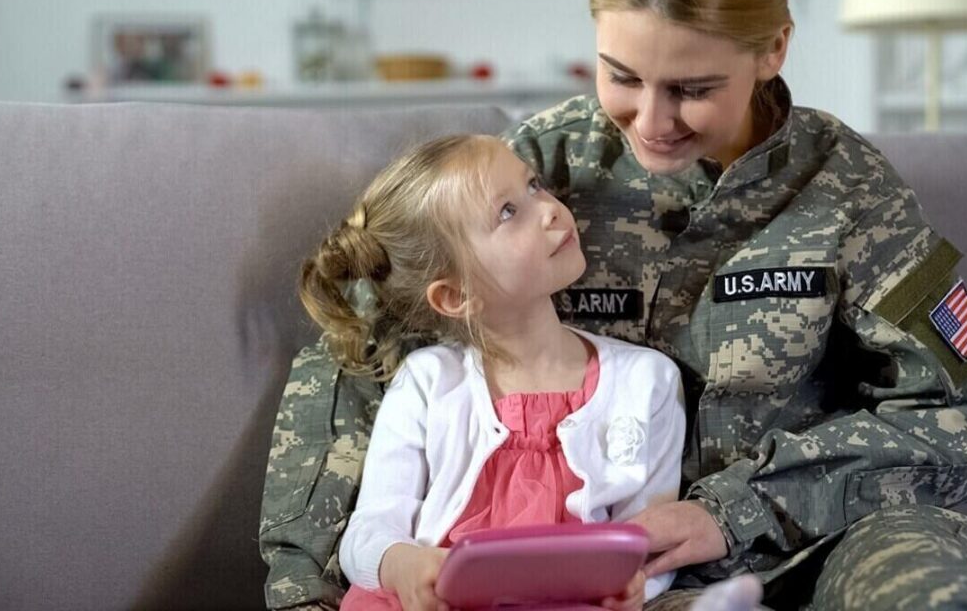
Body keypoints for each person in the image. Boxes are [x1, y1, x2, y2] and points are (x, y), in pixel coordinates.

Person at [260, 0, 967, 609]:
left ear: (773, 49)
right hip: (594, 583)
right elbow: (358, 352)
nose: (651, 122)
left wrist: (737, 509)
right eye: (620, 76)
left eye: (692, 88)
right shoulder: (541, 168)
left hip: (818, 541)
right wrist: (307, 592)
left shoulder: (848, 187)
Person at [293, 134, 686, 611]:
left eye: (534, 185)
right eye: (508, 211)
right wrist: (406, 566)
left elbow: (650, 542)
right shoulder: (427, 383)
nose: (550, 210)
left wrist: (633, 586)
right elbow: (368, 532)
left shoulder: (648, 382)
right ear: (455, 296)